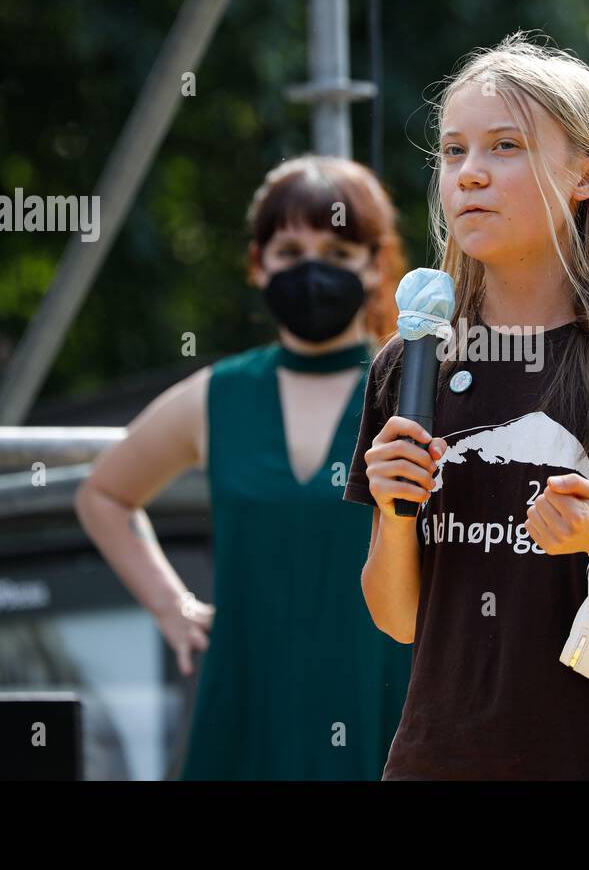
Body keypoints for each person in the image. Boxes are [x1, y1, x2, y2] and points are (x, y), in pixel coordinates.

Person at [342, 33, 589, 780]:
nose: (469, 175)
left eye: (504, 147)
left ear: (586, 176)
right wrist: (398, 514)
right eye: (452, 151)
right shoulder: (411, 361)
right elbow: (399, 620)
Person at [74, 155, 411, 780]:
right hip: (248, 704)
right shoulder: (216, 396)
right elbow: (104, 495)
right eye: (290, 251)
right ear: (258, 264)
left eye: (338, 252)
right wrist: (170, 605)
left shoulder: (412, 391)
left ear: (373, 266)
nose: (313, 269)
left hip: (385, 699)